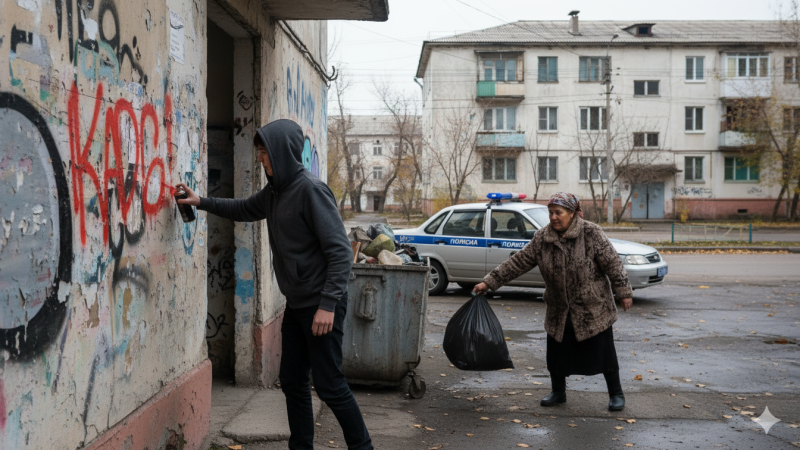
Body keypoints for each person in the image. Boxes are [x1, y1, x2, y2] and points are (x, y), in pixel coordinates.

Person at [176, 119, 373, 450]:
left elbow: (340, 252)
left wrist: (327, 305)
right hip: (297, 305)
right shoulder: (274, 193)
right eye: (260, 153)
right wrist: (202, 201)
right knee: (294, 382)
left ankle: (363, 447)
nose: (261, 160)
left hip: (321, 305)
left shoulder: (311, 190)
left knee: (329, 385)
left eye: (265, 153)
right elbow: (243, 208)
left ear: (281, 153)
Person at [473, 192, 633, 411]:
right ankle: (558, 392)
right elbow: (518, 262)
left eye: (558, 213)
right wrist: (489, 282)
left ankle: (616, 393)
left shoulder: (591, 233)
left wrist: (623, 291)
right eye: (550, 213)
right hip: (559, 307)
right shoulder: (543, 238)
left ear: (572, 213)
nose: (554, 217)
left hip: (592, 306)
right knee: (557, 353)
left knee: (603, 352)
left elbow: (613, 264)